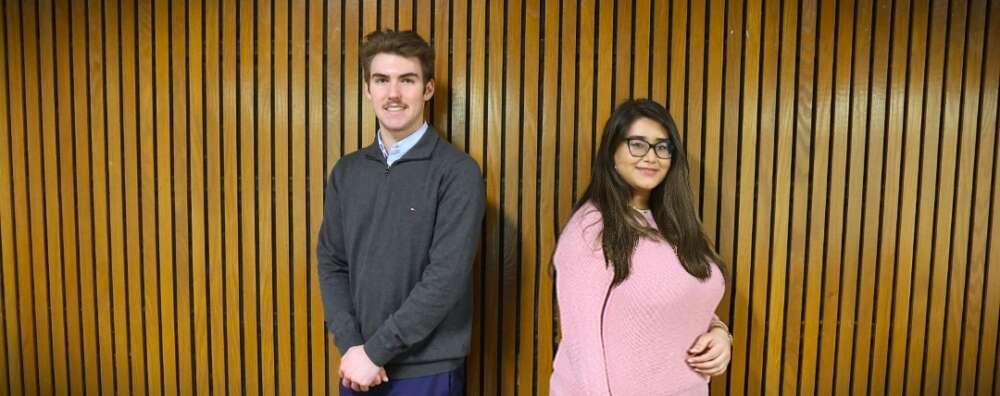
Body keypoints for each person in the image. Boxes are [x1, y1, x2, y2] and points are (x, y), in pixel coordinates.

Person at [317, 30, 485, 396]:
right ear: (367, 89)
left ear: (428, 89)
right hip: (358, 367)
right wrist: (351, 346)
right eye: (381, 80)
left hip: (426, 370)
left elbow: (445, 278)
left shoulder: (457, 172)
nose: (393, 94)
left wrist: (377, 351)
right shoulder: (346, 171)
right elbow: (332, 262)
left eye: (406, 80)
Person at [550, 99, 732, 395]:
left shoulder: (676, 223)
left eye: (662, 147)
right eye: (637, 144)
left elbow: (681, 299)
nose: (651, 156)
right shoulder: (591, 230)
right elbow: (583, 347)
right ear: (612, 153)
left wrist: (720, 333)